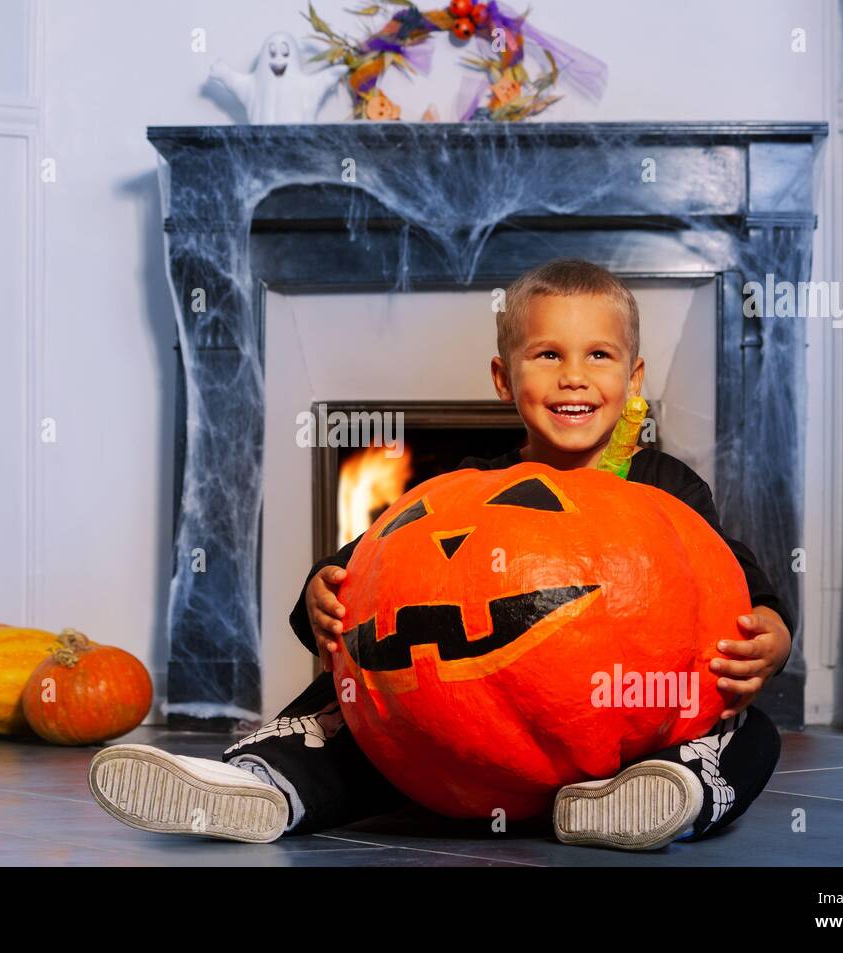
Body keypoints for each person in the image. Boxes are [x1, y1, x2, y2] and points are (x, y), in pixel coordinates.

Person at [89, 258, 793, 850]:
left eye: (598, 356)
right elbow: (364, 588)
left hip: (634, 735)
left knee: (746, 733)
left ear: (633, 377)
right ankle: (261, 784)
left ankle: (653, 801)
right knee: (364, 699)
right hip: (459, 740)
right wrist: (321, 593)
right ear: (503, 376)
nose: (574, 377)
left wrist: (772, 630)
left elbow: (734, 580)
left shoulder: (666, 487)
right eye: (548, 355)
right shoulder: (462, 488)